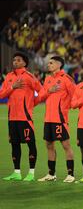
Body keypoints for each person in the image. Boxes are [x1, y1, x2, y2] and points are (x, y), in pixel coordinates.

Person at [0, 52, 42, 181]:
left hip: (25, 118)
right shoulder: (9, 77)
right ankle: (17, 172)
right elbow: (1, 95)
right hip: (12, 118)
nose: (15, 62)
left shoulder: (29, 76)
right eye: (14, 60)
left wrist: (31, 105)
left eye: (18, 60)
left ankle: (31, 173)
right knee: (14, 144)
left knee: (31, 144)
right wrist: (12, 87)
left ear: (24, 63)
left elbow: (42, 91)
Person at [36, 56, 76, 183]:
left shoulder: (66, 79)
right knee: (49, 144)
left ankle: (70, 174)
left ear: (59, 65)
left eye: (51, 63)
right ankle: (51, 174)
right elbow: (41, 96)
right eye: (48, 63)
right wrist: (50, 90)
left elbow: (74, 95)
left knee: (65, 145)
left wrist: (65, 107)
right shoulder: (47, 79)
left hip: (60, 118)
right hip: (48, 118)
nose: (48, 65)